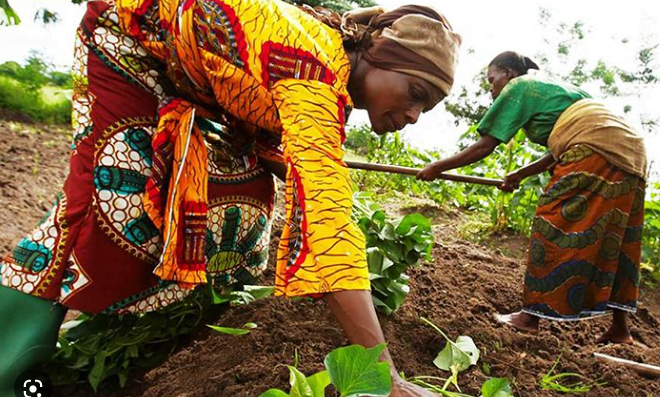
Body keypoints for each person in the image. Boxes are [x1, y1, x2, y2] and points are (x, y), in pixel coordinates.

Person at [0, 0, 461, 395]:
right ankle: (9, 366)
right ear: (379, 54)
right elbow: (328, 229)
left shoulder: (327, 77)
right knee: (114, 196)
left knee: (241, 197)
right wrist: (383, 375)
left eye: (427, 107)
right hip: (126, 41)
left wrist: (307, 173)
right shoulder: (313, 76)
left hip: (186, 76)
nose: (415, 115)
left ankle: (143, 328)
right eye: (414, 92)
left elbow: (268, 125)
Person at [417, 51, 647, 344]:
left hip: (593, 146)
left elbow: (485, 145)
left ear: (510, 73)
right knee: (618, 234)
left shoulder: (521, 85)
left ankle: (529, 318)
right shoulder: (564, 91)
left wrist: (438, 166)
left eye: (492, 79)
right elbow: (557, 151)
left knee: (552, 221)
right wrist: (520, 175)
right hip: (633, 152)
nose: (491, 87)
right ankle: (620, 329)